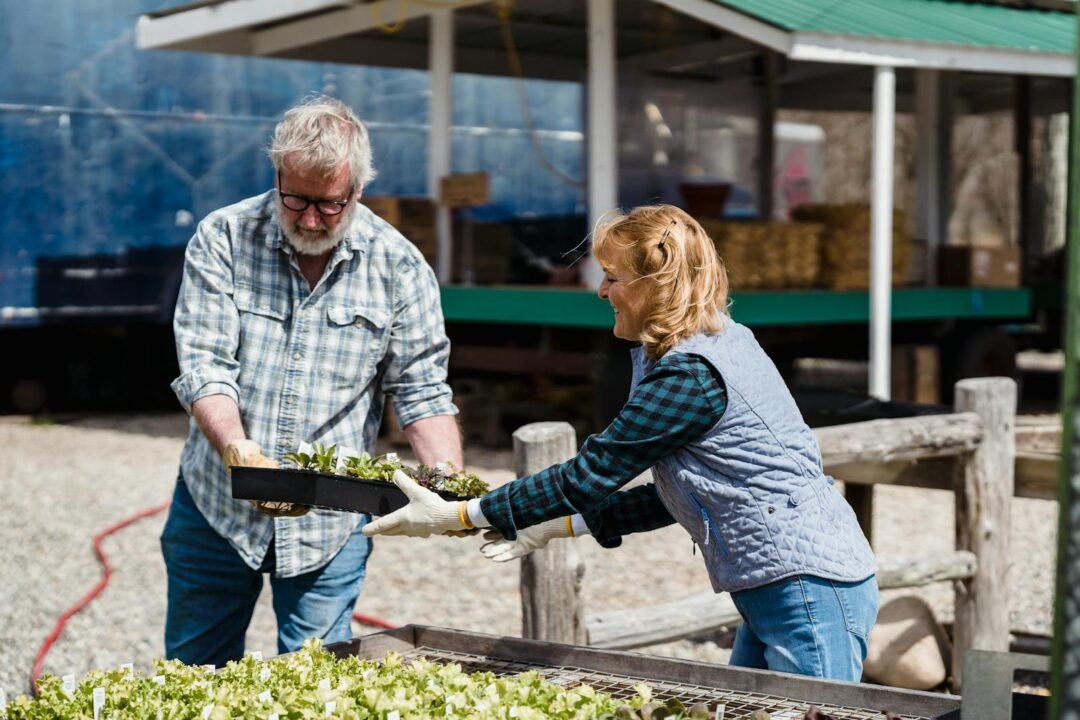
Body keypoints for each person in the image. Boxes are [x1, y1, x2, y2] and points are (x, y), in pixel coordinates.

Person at [363, 204, 879, 682]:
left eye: (612, 277)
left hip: (807, 591)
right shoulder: (718, 341)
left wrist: (461, 514)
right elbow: (686, 494)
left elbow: (587, 475)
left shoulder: (692, 376)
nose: (601, 291)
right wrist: (557, 525)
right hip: (787, 585)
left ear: (656, 286)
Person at [164, 94, 461, 666]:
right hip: (217, 510)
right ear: (277, 174)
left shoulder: (398, 266)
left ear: (357, 189)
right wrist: (238, 449)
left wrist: (446, 481)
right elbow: (204, 366)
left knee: (316, 684)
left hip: (329, 525)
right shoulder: (223, 237)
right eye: (295, 198)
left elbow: (422, 390)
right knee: (194, 674)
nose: (307, 219)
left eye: (328, 205)